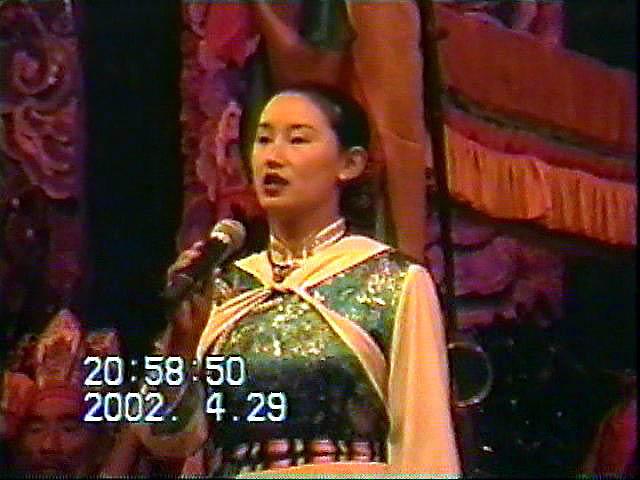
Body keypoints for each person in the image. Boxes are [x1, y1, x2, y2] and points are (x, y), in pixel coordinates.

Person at [134, 86, 461, 476]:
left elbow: (426, 442)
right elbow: (165, 437)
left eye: (298, 140)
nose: (273, 156)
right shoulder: (224, 288)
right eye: (264, 140)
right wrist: (182, 346)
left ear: (350, 164)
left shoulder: (392, 281)